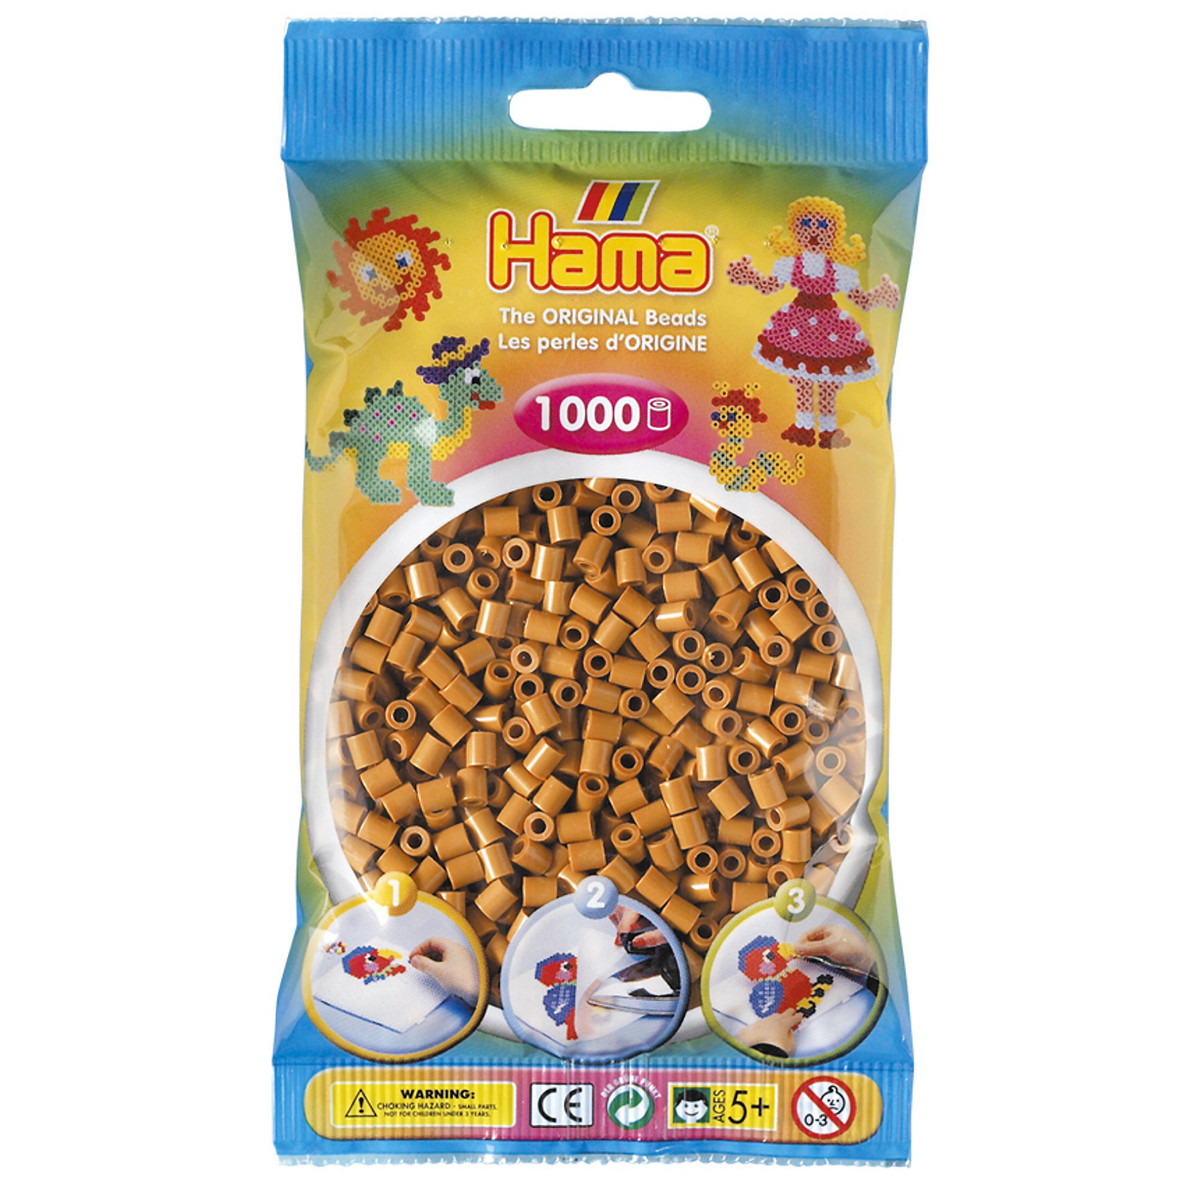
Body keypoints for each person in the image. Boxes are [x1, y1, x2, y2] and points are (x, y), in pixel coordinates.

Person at [727, 196, 899, 449]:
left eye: (823, 225)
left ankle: (828, 430)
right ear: (796, 230)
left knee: (829, 382)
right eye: (806, 223)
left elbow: (861, 300)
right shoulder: (789, 265)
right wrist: (750, 276)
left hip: (830, 329)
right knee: (803, 381)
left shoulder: (840, 272)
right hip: (797, 327)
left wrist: (881, 294)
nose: (814, 232)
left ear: (834, 234)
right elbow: (769, 286)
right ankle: (804, 427)